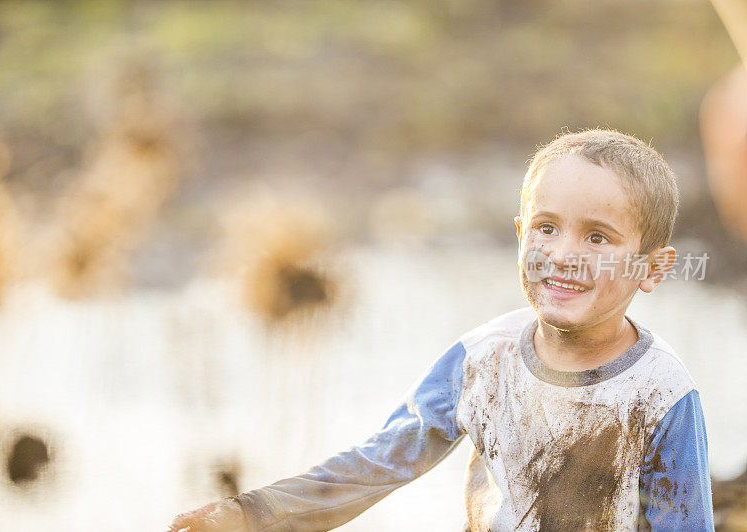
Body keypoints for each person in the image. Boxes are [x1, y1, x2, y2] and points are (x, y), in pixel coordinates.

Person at [169, 129, 714, 531]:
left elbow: (684, 522)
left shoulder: (661, 393)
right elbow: (378, 464)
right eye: (547, 228)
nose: (564, 255)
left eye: (598, 238)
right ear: (521, 235)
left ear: (651, 267)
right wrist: (251, 514)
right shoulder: (481, 360)